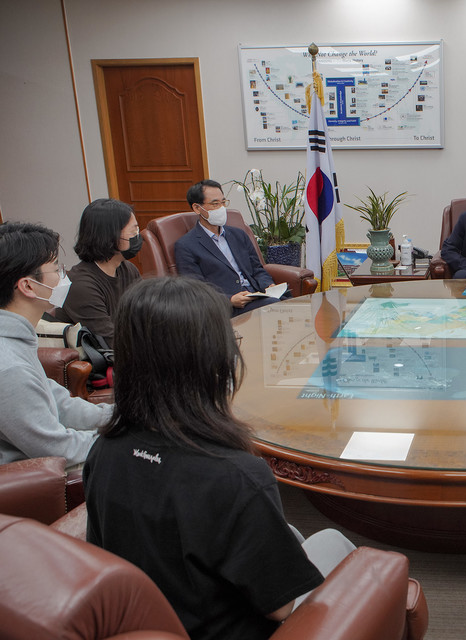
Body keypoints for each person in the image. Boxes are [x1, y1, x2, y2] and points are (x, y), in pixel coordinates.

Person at [83, 277, 355, 640]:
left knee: (289, 533)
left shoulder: (104, 450)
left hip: (146, 619)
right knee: (333, 541)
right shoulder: (236, 476)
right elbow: (280, 608)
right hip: (227, 628)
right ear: (210, 359)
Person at [0, 222, 112, 466]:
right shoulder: (9, 368)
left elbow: (59, 404)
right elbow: (57, 447)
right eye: (55, 269)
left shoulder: (16, 339)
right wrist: (125, 440)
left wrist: (121, 418)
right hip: (34, 481)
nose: (64, 276)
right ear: (28, 286)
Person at [175, 179, 286, 316]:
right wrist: (229, 299)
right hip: (228, 307)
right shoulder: (186, 245)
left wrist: (268, 285)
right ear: (197, 208)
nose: (221, 208)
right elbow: (196, 289)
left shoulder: (238, 234)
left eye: (223, 202)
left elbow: (257, 269)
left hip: (257, 295)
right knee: (274, 307)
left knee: (294, 304)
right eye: (215, 204)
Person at [54, 198, 142, 346]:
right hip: (99, 359)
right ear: (109, 236)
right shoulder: (81, 285)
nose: (138, 236)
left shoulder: (127, 269)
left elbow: (144, 314)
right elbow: (108, 340)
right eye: (133, 231)